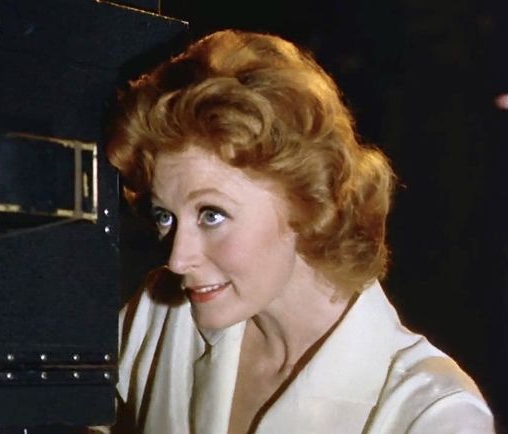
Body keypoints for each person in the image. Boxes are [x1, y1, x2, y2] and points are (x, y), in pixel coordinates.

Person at [104, 29, 495, 433]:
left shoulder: (432, 414)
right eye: (165, 216)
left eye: (211, 215)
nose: (177, 259)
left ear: (306, 202)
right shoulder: (159, 316)